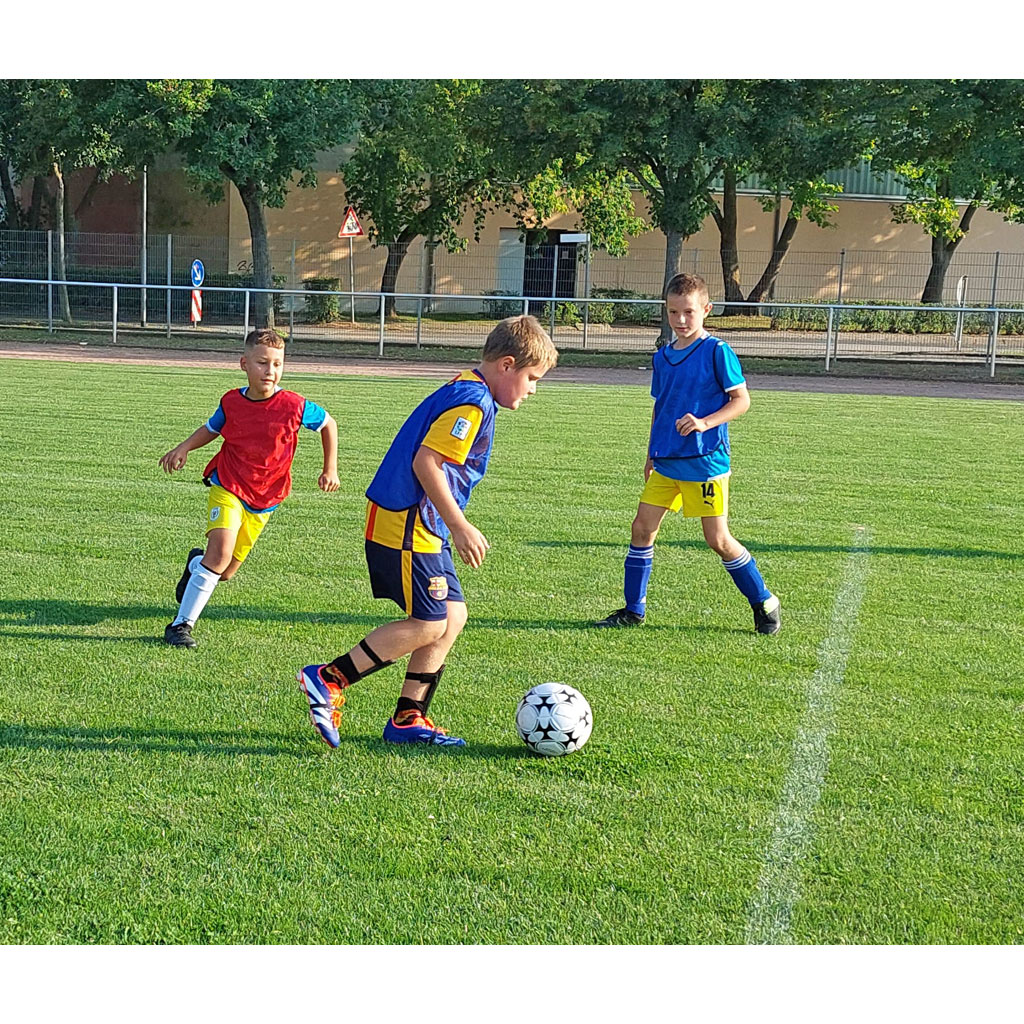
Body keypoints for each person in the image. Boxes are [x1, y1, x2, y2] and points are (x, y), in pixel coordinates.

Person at [297, 315, 558, 749]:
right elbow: (426, 463)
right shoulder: (471, 403)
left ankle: (408, 718)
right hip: (406, 523)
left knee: (453, 616)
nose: (533, 389)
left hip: (422, 525)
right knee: (430, 620)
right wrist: (460, 526)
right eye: (532, 378)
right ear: (507, 365)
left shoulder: (469, 387)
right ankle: (328, 678)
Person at [594, 273, 780, 634]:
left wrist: (705, 423)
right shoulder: (663, 357)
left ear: (706, 310)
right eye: (674, 312)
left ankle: (764, 601)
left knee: (718, 540)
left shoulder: (717, 352)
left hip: (705, 463)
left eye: (689, 312)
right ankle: (634, 610)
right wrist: (651, 452)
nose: (681, 320)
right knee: (641, 529)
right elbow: (659, 407)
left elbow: (741, 401)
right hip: (666, 461)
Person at [159, 328, 339, 647]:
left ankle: (194, 565)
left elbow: (329, 424)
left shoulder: (294, 405)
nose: (270, 371)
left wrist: (330, 469)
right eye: (261, 363)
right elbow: (213, 428)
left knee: (224, 571)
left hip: (266, 496)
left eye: (277, 364)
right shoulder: (231, 401)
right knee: (219, 555)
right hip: (228, 483)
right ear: (244, 364)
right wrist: (183, 448)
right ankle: (180, 626)